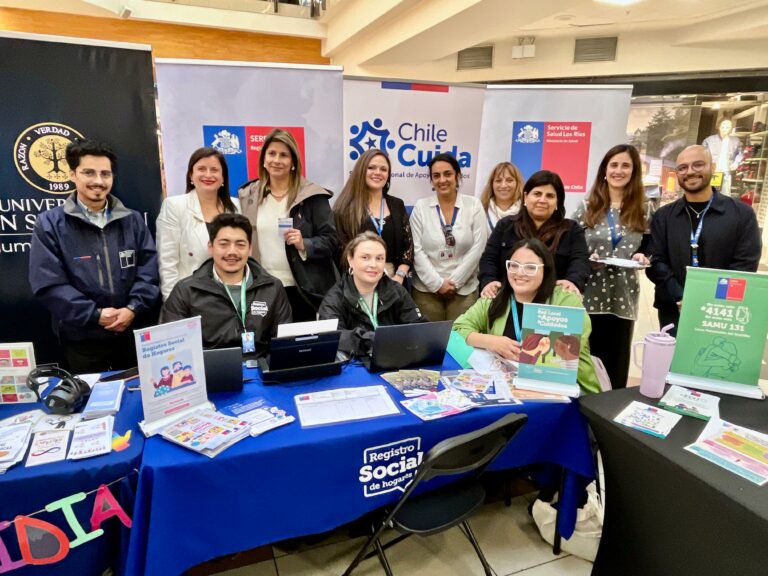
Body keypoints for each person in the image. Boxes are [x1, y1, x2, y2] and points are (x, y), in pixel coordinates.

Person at [29, 139, 160, 373]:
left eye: (105, 174)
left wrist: (132, 308)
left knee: (137, 399)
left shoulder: (133, 220)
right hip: (82, 337)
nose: (98, 181)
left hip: (131, 332)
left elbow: (148, 272)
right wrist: (94, 315)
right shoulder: (49, 224)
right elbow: (48, 284)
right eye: (89, 172)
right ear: (72, 174)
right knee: (90, 405)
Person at [454, 238, 600, 395]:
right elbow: (458, 329)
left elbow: (573, 342)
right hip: (508, 386)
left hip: (560, 389)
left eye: (531, 267)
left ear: (546, 270)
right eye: (514, 265)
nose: (520, 273)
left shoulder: (565, 300)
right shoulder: (495, 297)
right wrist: (493, 342)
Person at [647, 144, 761, 334]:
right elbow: (656, 261)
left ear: (713, 167)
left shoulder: (741, 214)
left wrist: (709, 301)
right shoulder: (664, 216)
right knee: (672, 362)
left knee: (717, 358)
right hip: (674, 310)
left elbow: (744, 265)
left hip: (721, 314)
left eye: (698, 165)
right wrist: (682, 297)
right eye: (683, 168)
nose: (690, 172)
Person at [572, 144, 651, 388]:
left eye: (625, 165)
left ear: (634, 171)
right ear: (604, 171)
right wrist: (587, 257)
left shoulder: (644, 209)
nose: (619, 170)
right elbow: (571, 248)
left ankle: (608, 417)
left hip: (623, 297)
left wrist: (643, 256)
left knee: (616, 364)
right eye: (613, 165)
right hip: (589, 295)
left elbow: (649, 247)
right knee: (584, 360)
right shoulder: (586, 207)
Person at [238, 129, 338, 321]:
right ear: (264, 159)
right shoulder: (248, 195)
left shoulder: (312, 196)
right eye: (272, 153)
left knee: (301, 347)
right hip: (262, 288)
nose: (277, 160)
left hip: (302, 291)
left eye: (284, 155)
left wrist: (304, 244)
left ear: (293, 162)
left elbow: (332, 240)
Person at [162, 213, 292, 356]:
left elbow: (283, 344)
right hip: (210, 372)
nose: (232, 252)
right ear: (210, 247)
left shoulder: (272, 287)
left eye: (240, 245)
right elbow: (172, 348)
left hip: (260, 372)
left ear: (250, 249)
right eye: (224, 244)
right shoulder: (186, 291)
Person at [479, 170, 589, 299]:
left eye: (550, 196)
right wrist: (489, 281)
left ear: (557, 202)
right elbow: (489, 259)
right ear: (526, 197)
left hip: (553, 303)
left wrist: (573, 281)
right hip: (507, 299)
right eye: (537, 194)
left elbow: (580, 261)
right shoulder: (505, 225)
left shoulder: (572, 230)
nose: (542, 200)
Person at [318, 232, 425, 356]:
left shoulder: (397, 291)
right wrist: (370, 340)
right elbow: (334, 338)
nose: (373, 265)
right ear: (350, 259)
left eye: (379, 258)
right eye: (365, 257)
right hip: (355, 367)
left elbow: (417, 328)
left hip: (395, 362)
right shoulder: (334, 298)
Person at [410, 153, 488, 321]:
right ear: (431, 180)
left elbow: (479, 247)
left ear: (458, 176)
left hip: (464, 290)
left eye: (447, 174)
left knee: (461, 342)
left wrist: (454, 282)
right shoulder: (421, 207)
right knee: (428, 342)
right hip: (426, 291)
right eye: (436, 176)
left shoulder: (473, 205)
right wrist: (437, 284)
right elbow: (416, 249)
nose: (442, 180)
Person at [156, 147, 240, 300]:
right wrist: (172, 302)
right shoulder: (174, 206)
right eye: (201, 169)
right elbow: (167, 262)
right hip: (190, 297)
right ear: (191, 175)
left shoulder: (236, 207)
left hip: (230, 296)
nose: (208, 175)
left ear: (223, 178)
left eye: (214, 170)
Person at [334, 149, 413, 283]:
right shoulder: (345, 209)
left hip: (395, 283)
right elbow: (341, 253)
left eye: (383, 169)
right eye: (371, 168)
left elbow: (408, 247)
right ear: (361, 171)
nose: (378, 173)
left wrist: (399, 277)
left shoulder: (397, 205)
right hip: (358, 283)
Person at [702, 119, 743, 196]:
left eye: (728, 126)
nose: (725, 129)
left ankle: (722, 208)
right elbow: (702, 153)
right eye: (723, 126)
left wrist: (736, 163)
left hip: (726, 170)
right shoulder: (709, 140)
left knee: (725, 194)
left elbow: (740, 153)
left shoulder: (735, 141)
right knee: (709, 193)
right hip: (713, 171)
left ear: (731, 128)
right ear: (719, 127)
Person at [480, 161, 524, 232]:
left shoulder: (526, 212)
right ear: (492, 184)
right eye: (498, 181)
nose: (503, 185)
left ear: (517, 183)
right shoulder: (480, 210)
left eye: (509, 180)